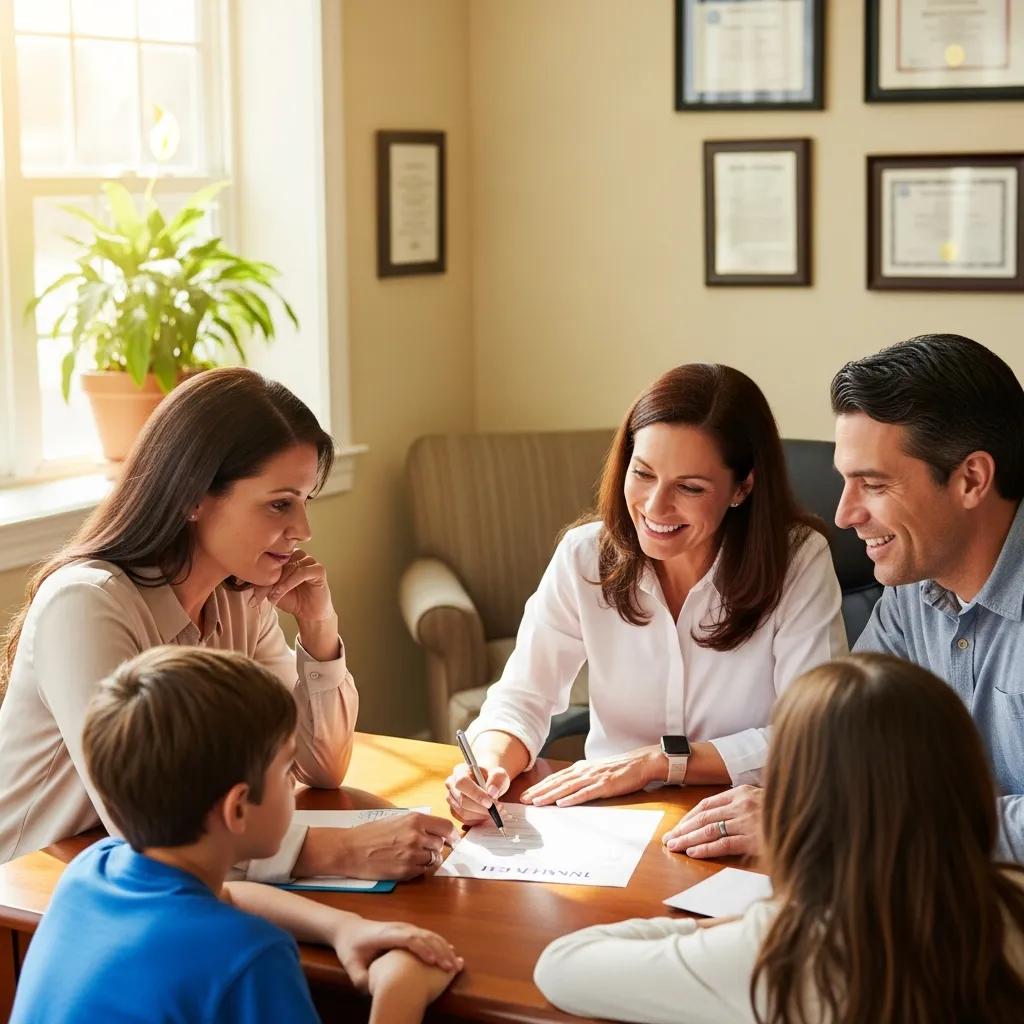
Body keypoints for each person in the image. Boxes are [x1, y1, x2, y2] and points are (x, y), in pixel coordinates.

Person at [0, 368, 457, 881]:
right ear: (192, 496)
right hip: (34, 899)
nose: (303, 530)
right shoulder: (86, 605)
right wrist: (339, 850)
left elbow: (318, 766)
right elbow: (148, 825)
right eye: (279, 504)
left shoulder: (240, 598)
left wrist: (319, 628)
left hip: (159, 887)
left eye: (305, 502)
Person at [666, 333, 1024, 862]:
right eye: (844, 482)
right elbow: (843, 744)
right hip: (940, 883)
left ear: (971, 479)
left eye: (873, 485)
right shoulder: (911, 593)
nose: (844, 515)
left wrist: (852, 823)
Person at [444, 363, 846, 824]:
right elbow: (522, 697)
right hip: (610, 822)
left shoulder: (797, 561)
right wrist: (488, 764)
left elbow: (818, 735)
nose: (655, 507)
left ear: (743, 487)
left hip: (742, 821)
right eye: (643, 473)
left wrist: (660, 761)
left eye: (690, 487)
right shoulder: (584, 556)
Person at [535, 653, 1024, 1024]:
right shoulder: (1009, 903)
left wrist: (736, 924)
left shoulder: (775, 951)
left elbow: (561, 966)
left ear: (794, 807)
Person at [9, 647, 462, 1024]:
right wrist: (400, 992)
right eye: (287, 768)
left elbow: (227, 895)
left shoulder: (93, 870)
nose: (294, 783)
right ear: (238, 807)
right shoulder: (249, 959)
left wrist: (345, 927)